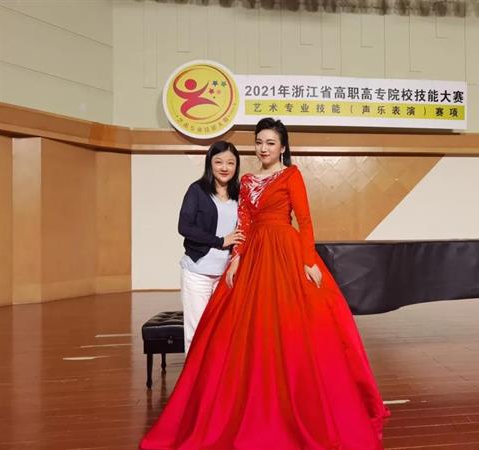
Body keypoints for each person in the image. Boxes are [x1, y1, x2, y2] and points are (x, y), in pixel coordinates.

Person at [140, 118, 389, 450]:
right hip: (254, 253)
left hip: (285, 250)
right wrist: (237, 257)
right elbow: (244, 221)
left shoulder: (291, 175)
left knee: (293, 324)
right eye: (259, 142)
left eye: (270, 142)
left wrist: (309, 260)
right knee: (244, 327)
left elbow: (305, 219)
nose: (263, 148)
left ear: (282, 147)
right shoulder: (246, 180)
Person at [177, 140, 244, 353]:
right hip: (198, 272)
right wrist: (220, 240)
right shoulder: (197, 190)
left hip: (226, 274)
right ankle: (193, 375)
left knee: (222, 331)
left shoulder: (240, 194)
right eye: (219, 162)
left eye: (230, 163)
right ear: (210, 163)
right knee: (197, 332)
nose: (225, 167)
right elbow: (184, 227)